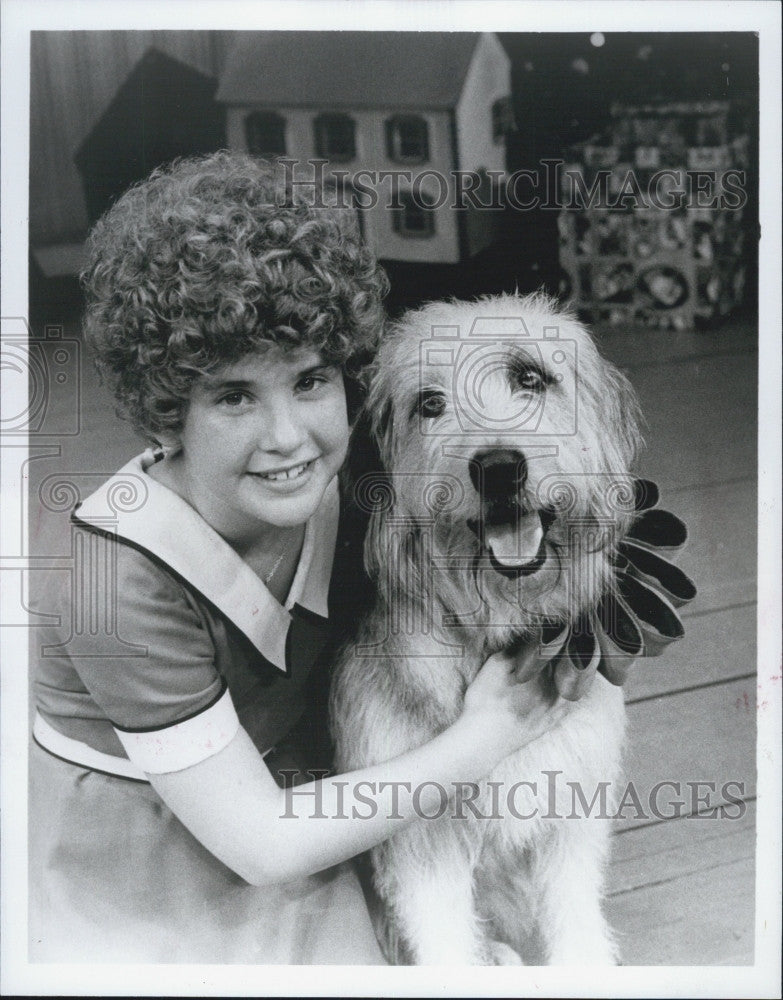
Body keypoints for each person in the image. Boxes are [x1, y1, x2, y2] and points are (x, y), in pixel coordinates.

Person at [29, 151, 568, 964]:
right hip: (153, 848)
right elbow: (259, 844)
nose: (287, 437)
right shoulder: (112, 575)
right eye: (234, 395)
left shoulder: (356, 483)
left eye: (311, 380)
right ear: (165, 411)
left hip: (318, 786)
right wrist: (484, 738)